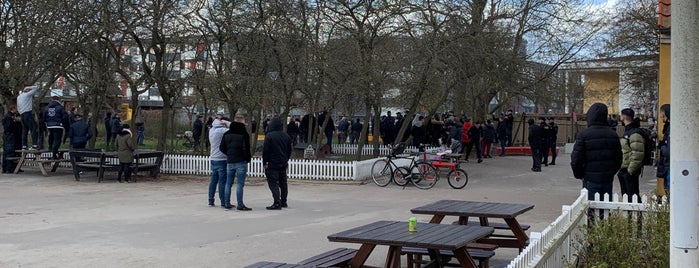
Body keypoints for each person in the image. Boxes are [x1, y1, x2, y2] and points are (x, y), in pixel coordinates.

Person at [571, 103, 623, 201]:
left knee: (590, 208)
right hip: (607, 177)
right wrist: (611, 172)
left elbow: (576, 158)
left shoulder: (583, 135)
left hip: (589, 177)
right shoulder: (613, 135)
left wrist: (579, 174)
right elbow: (618, 158)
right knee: (605, 207)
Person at [219, 110, 252, 211]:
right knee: (240, 184)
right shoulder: (244, 135)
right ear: (241, 122)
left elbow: (221, 148)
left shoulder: (227, 134)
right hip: (241, 161)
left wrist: (228, 154)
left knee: (228, 183)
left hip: (230, 161)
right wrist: (247, 158)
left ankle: (227, 203)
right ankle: (240, 204)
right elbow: (246, 148)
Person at [263, 117, 293, 210]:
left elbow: (266, 151)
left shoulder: (269, 136)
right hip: (283, 162)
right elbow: (289, 150)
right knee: (283, 183)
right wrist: (286, 159)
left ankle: (277, 202)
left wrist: (264, 162)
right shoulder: (286, 136)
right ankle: (284, 201)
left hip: (272, 162)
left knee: (273, 183)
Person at [618, 108, 644, 201]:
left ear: (623, 117)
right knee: (627, 196)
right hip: (625, 169)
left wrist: (630, 171)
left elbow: (637, 153)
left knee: (632, 196)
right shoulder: (629, 131)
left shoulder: (634, 133)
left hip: (629, 170)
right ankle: (630, 214)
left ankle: (636, 215)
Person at [208, 117, 230, 207]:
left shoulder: (211, 130)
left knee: (213, 180)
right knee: (222, 181)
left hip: (213, 158)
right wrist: (227, 122)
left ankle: (211, 200)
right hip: (221, 158)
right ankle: (223, 201)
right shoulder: (221, 130)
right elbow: (235, 127)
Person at [656, 104, 670, 195]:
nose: (660, 116)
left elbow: (668, 151)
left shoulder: (671, 129)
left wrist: (662, 146)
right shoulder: (668, 127)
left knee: (669, 188)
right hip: (667, 164)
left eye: (661, 113)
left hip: (668, 164)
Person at [3, 106, 22, 173]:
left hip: (12, 136)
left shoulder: (13, 116)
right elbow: (9, 127)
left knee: (11, 152)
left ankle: (11, 167)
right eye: (16, 109)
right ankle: (8, 168)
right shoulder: (9, 117)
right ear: (12, 109)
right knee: (9, 152)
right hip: (10, 135)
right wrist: (14, 121)